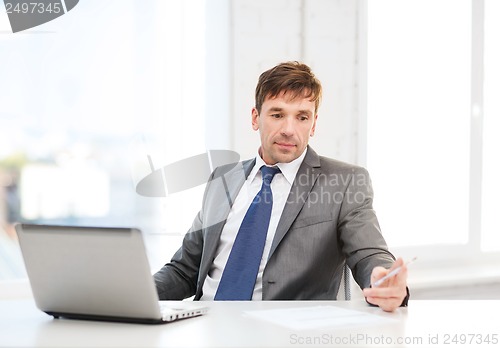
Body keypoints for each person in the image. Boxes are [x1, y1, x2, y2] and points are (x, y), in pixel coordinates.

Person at [154, 61, 409, 312]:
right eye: (277, 115)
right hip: (203, 325)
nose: (289, 130)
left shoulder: (344, 182)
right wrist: (133, 293)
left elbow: (369, 254)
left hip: (282, 332)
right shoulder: (223, 179)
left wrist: (383, 277)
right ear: (256, 118)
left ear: (314, 124)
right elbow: (185, 269)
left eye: (302, 117)